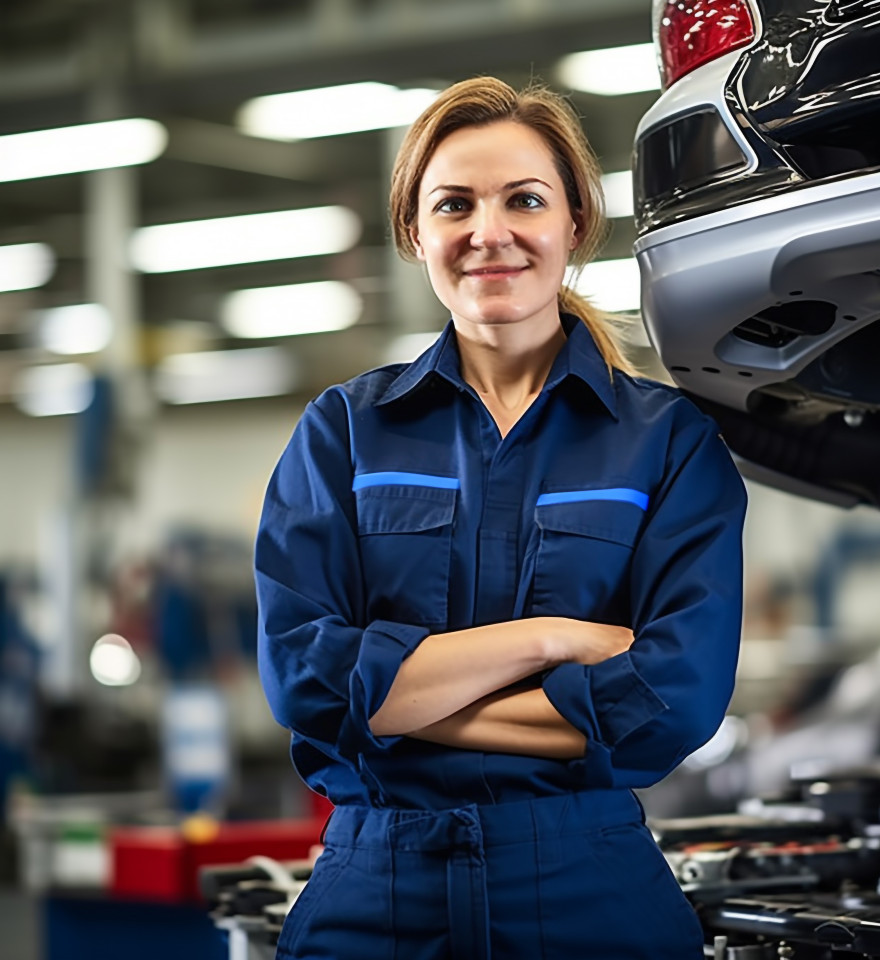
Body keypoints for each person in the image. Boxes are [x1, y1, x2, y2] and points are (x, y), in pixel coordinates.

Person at [255, 76, 747, 960]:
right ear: (416, 232)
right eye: (455, 205)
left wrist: (393, 704)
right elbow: (303, 679)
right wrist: (555, 638)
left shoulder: (667, 444)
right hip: (376, 891)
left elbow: (670, 704)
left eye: (525, 199)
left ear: (575, 226)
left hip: (589, 887)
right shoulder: (344, 432)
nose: (491, 233)